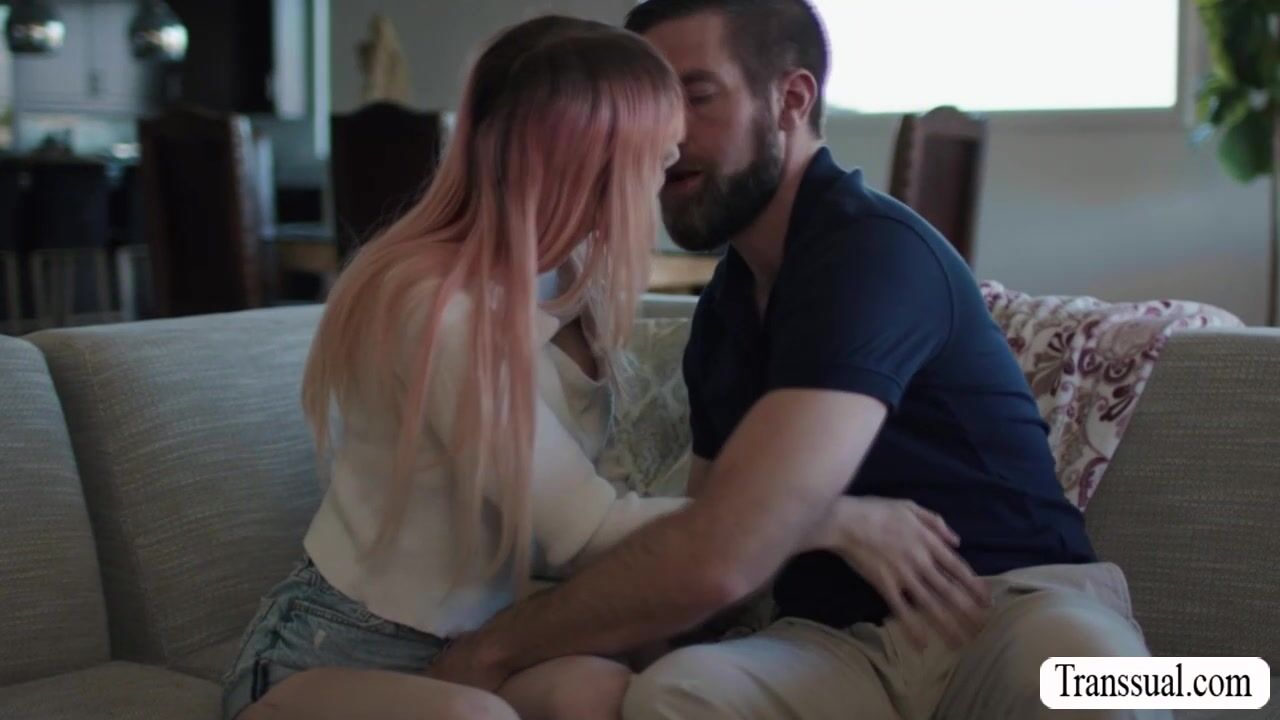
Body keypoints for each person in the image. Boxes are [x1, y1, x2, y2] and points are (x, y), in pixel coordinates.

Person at [220, 13, 984, 720]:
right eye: (656, 152)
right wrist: (816, 518)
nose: (671, 166)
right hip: (333, 646)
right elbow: (582, 532)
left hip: (461, 638)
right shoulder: (441, 311)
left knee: (606, 692)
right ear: (586, 159)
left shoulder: (571, 276)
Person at [425, 2, 1169, 719]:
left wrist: (497, 648)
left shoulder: (874, 255)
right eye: (653, 106)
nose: (666, 138)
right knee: (677, 693)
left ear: (790, 100)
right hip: (835, 646)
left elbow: (724, 552)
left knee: (1094, 676)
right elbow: (705, 555)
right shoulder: (725, 310)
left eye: (696, 98)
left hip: (1009, 610)